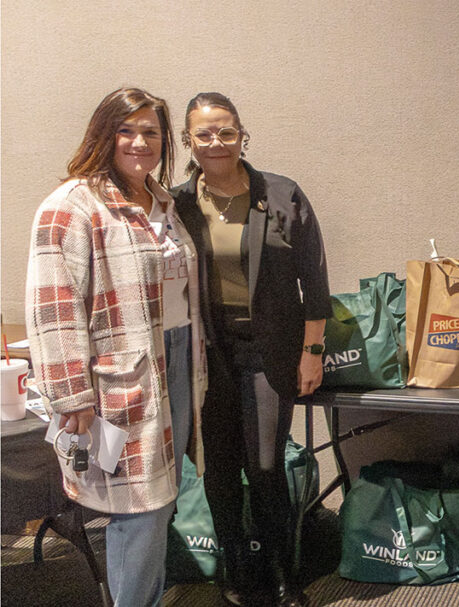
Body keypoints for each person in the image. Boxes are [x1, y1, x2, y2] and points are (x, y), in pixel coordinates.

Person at [25, 87, 206, 607]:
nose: (139, 141)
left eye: (150, 132)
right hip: (118, 377)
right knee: (139, 510)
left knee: (162, 499)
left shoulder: (164, 202)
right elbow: (53, 308)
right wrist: (70, 396)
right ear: (104, 135)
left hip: (172, 362)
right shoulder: (71, 205)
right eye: (126, 130)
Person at [174, 92, 331, 607]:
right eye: (204, 134)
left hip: (270, 350)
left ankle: (287, 576)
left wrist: (313, 350)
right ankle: (234, 571)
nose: (216, 142)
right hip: (208, 353)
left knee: (263, 466)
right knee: (216, 469)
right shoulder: (175, 204)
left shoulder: (282, 194)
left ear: (243, 135)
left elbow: (315, 277)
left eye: (226, 131)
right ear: (188, 141)